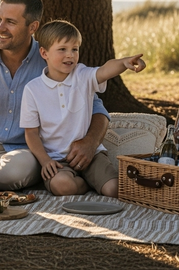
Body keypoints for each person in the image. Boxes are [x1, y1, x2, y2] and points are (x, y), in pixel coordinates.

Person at [0, 0, 110, 191]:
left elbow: (97, 109)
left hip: (23, 153)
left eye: (10, 22)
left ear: (32, 27)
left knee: (20, 169)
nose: (0, 27)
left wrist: (91, 141)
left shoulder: (54, 61)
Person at [21, 20, 146, 197]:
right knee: (63, 186)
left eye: (75, 49)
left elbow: (105, 70)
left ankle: (96, 180)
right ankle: (86, 184)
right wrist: (45, 161)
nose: (70, 55)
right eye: (62, 49)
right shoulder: (32, 89)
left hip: (91, 156)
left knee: (114, 189)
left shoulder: (83, 75)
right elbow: (31, 133)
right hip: (57, 160)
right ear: (44, 53)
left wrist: (124, 62)